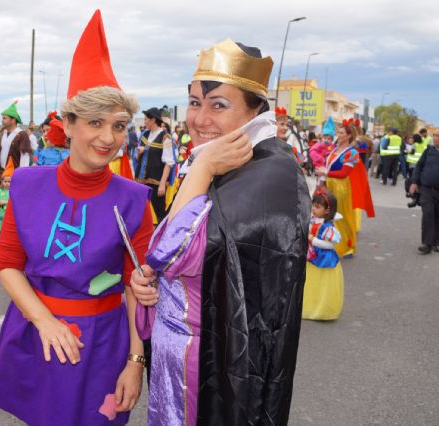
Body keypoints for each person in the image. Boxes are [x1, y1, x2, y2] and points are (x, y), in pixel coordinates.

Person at [131, 38, 311, 425]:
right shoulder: (224, 160)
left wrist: (202, 168)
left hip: (214, 358)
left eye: (219, 105)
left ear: (255, 111)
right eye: (195, 103)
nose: (199, 119)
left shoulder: (270, 172)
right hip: (181, 356)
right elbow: (166, 261)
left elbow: (171, 252)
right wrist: (149, 281)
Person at [0, 10, 153, 425]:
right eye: (95, 123)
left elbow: (137, 287)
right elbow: (8, 264)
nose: (108, 138)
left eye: (119, 126)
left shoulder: (135, 199)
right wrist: (44, 322)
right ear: (67, 123)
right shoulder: (27, 184)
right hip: (37, 332)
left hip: (105, 344)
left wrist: (136, 361)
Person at [315, 122, 374, 257]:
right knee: (328, 214)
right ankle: (332, 242)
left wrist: (325, 173)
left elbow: (343, 173)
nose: (338, 135)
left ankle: (347, 246)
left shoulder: (352, 152)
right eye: (338, 132)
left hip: (341, 186)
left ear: (348, 136)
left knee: (342, 216)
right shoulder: (334, 149)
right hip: (328, 184)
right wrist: (322, 181)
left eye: (341, 133)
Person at [302, 188, 344, 320]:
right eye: (313, 206)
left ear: (327, 210)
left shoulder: (328, 227)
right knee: (311, 283)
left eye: (317, 207)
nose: (313, 209)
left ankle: (322, 309)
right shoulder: (314, 220)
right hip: (311, 256)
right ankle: (310, 306)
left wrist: (313, 240)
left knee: (323, 286)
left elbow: (331, 245)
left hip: (324, 259)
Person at [133, 107, 174, 223]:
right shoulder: (144, 135)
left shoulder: (165, 137)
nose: (144, 122)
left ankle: (162, 237)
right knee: (140, 212)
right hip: (141, 181)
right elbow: (137, 158)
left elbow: (169, 162)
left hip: (156, 182)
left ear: (153, 120)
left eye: (146, 119)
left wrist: (162, 184)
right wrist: (139, 153)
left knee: (160, 212)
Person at [410, 131, 439, 254]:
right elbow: (418, 166)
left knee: (437, 216)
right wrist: (414, 182)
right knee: (428, 214)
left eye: (438, 136)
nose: (436, 138)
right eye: (435, 135)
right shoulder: (429, 150)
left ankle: (436, 242)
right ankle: (427, 243)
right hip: (426, 189)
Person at [0, 101, 23, 178]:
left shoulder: (21, 135)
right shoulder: (2, 134)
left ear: (13, 120)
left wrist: (22, 175)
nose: (2, 120)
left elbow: (24, 157)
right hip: (1, 175)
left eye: (4, 118)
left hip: (15, 175)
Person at [310, 117, 335, 187]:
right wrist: (321, 159)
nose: (326, 140)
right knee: (321, 182)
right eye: (325, 138)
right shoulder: (319, 145)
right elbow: (312, 152)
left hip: (328, 168)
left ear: (332, 140)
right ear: (322, 138)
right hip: (320, 166)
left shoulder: (332, 146)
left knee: (327, 183)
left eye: (329, 139)